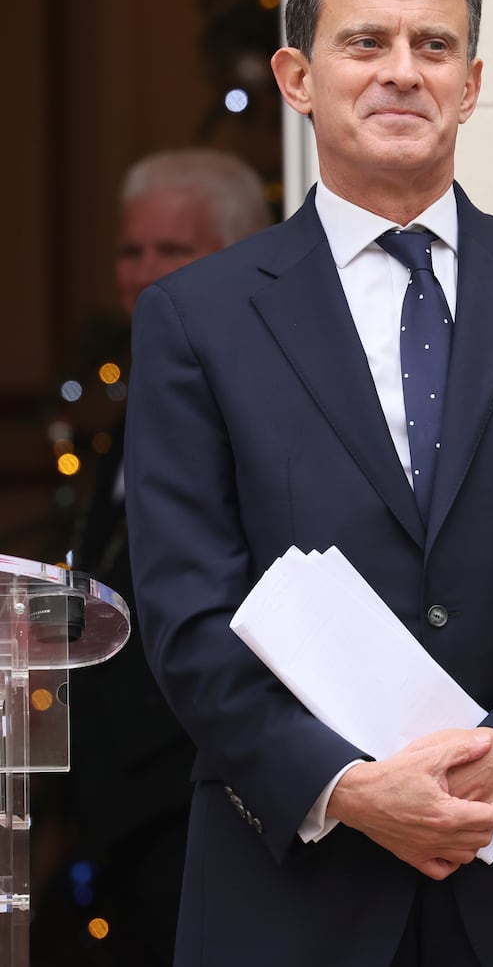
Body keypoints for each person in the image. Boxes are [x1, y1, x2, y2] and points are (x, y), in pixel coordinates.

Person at [123, 0, 493, 967]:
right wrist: (346, 784)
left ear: (470, 85)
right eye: (365, 43)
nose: (401, 73)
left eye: (433, 47)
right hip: (292, 888)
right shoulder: (196, 319)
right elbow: (186, 612)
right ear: (297, 76)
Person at [59, 148, 270, 966]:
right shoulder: (134, 398)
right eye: (131, 250)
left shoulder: (265, 396)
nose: (143, 274)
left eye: (172, 251)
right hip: (119, 807)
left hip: (211, 792)